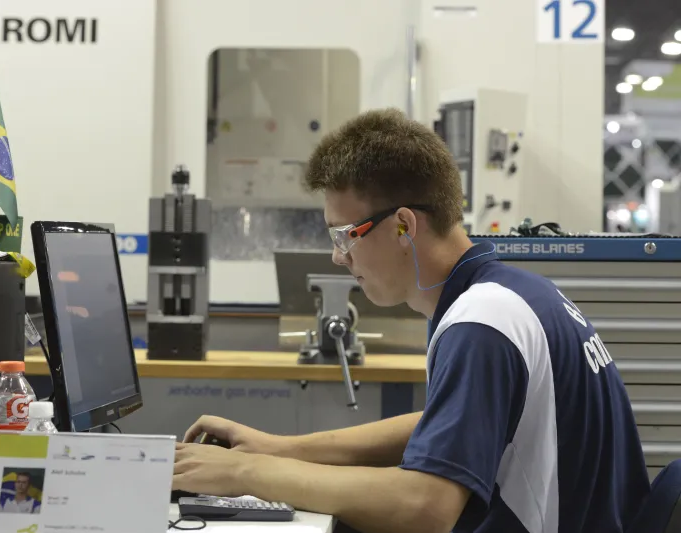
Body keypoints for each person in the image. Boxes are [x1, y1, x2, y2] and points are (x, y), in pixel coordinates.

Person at [172, 108, 651, 533]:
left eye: (344, 235)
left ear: (404, 225)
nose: (339, 257)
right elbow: (446, 424)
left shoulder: (482, 325)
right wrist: (278, 449)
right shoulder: (514, 295)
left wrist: (244, 474)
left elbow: (426, 508)